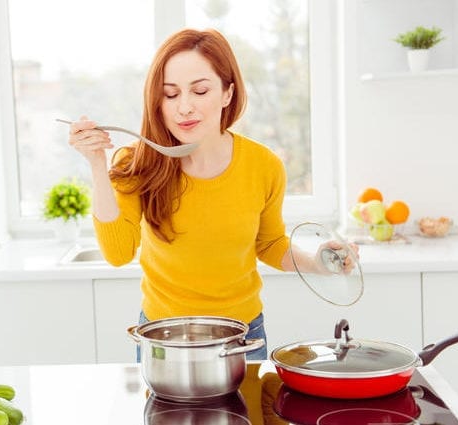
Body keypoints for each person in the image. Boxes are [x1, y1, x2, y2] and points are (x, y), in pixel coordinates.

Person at [65, 28, 356, 360]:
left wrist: (318, 261)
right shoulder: (136, 162)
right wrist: (97, 165)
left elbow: (269, 243)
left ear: (227, 94)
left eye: (200, 91)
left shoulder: (264, 165)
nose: (184, 107)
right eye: (170, 94)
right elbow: (118, 253)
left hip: (243, 338)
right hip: (164, 339)